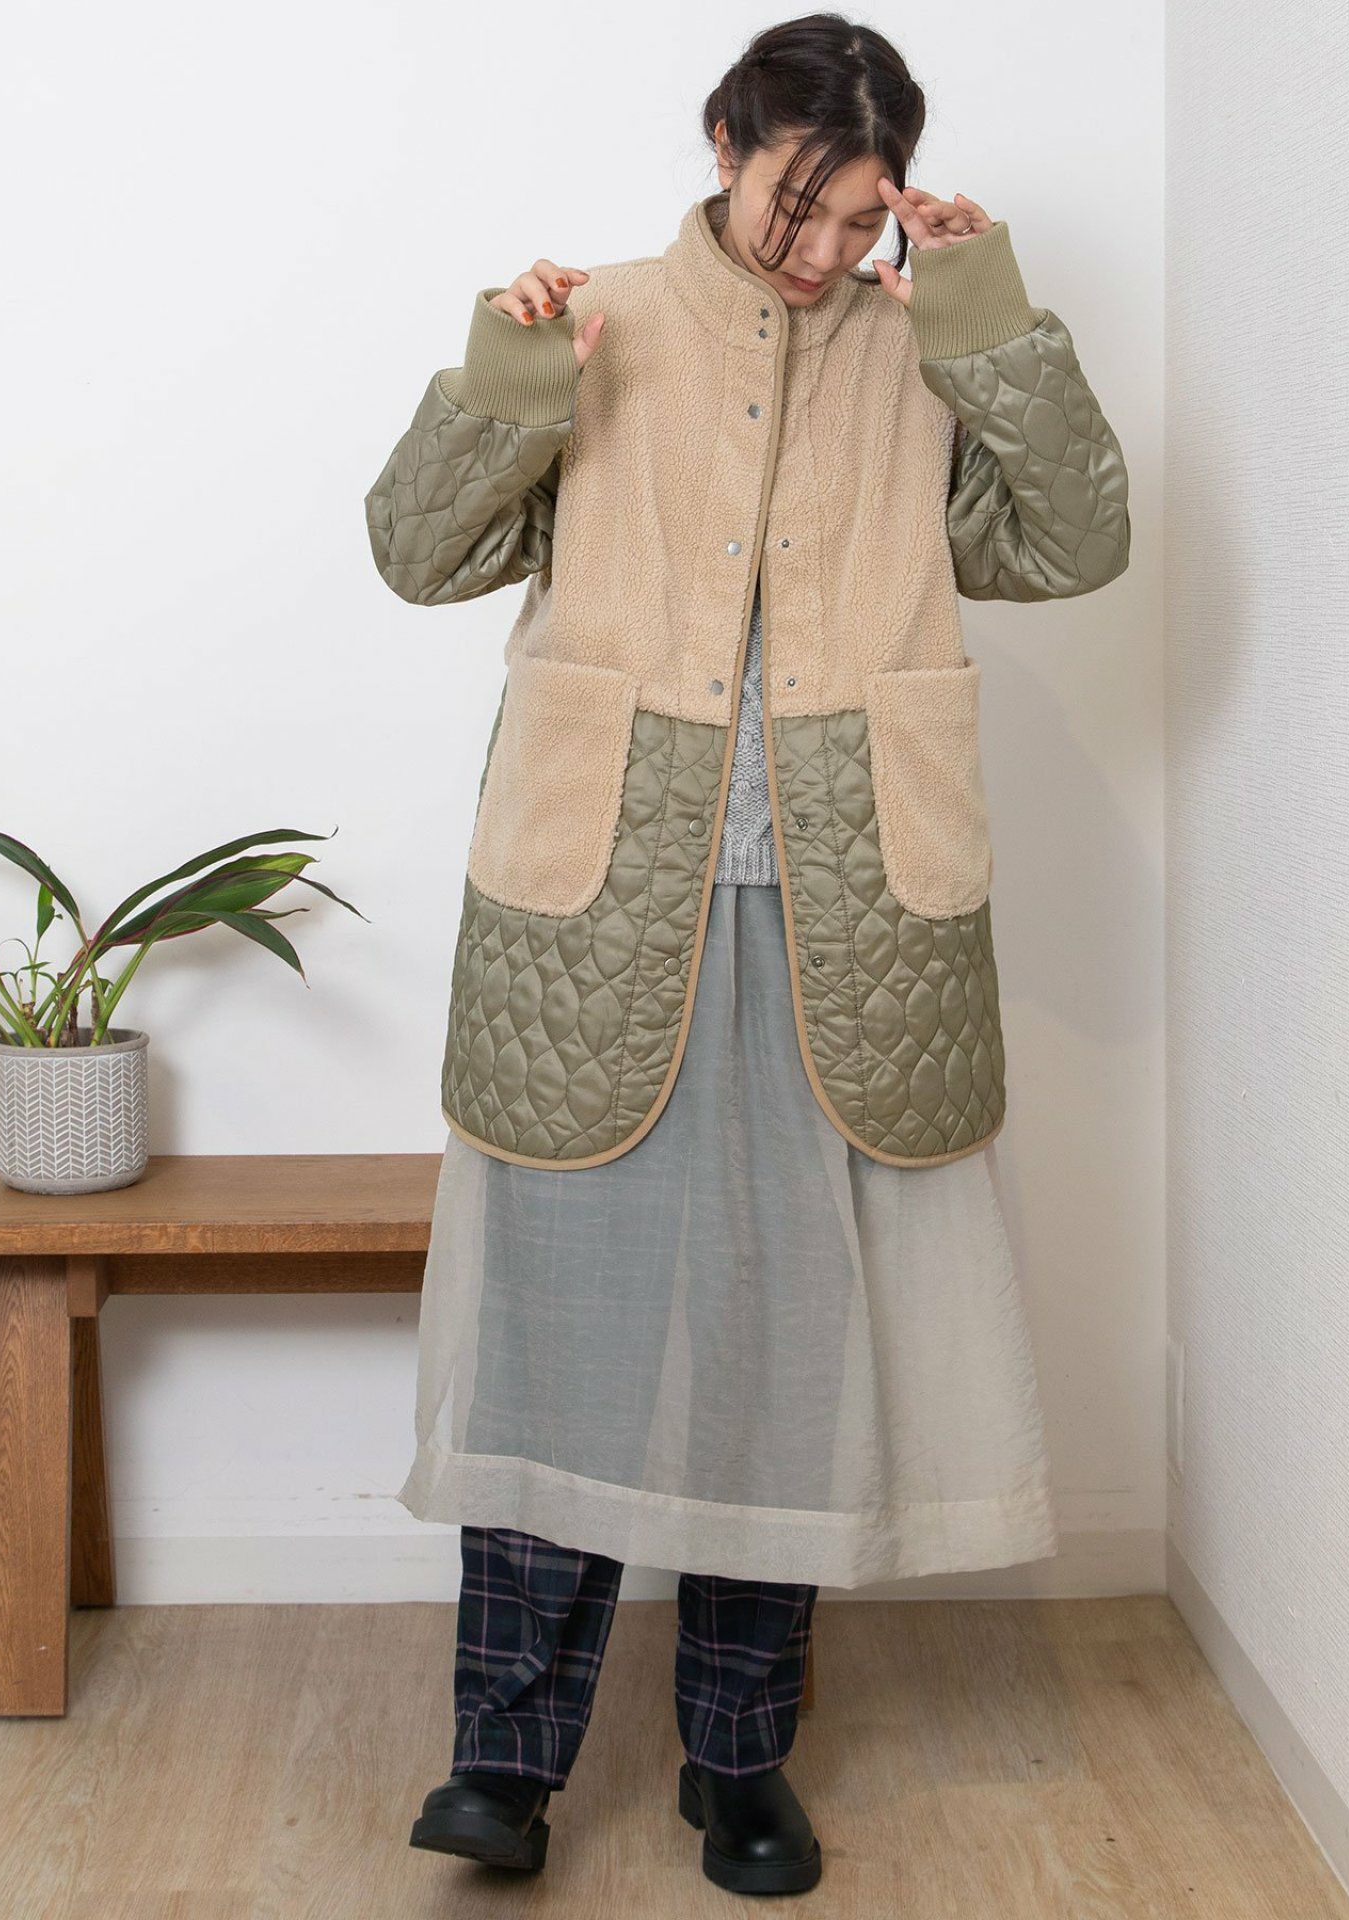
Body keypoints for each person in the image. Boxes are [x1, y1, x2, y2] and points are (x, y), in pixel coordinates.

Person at [363, 12, 1130, 1897]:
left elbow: (1073, 545)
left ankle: (738, 1758)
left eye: (861, 219)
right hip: (597, 892)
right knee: (557, 1333)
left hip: (841, 905)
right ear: (724, 144)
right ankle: (502, 1763)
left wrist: (981, 312)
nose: (825, 251)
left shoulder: (919, 345)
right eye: (802, 206)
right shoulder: (597, 320)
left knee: (784, 1346)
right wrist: (509, 377)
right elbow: (415, 554)